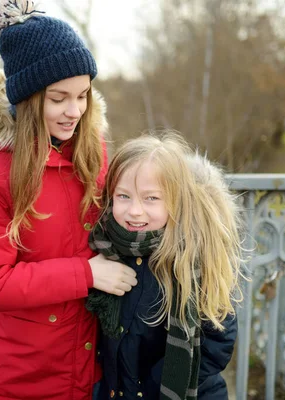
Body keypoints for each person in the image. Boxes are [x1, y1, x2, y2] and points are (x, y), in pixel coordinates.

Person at [0, 1, 138, 399]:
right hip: (22, 382)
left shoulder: (95, 158)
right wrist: (87, 274)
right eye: (58, 98)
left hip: (91, 375)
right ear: (27, 99)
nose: (74, 111)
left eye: (83, 96)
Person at [87, 132, 245, 399]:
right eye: (124, 196)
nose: (135, 211)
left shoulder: (192, 259)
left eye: (151, 199)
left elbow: (217, 342)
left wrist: (156, 384)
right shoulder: (105, 248)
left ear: (176, 201)